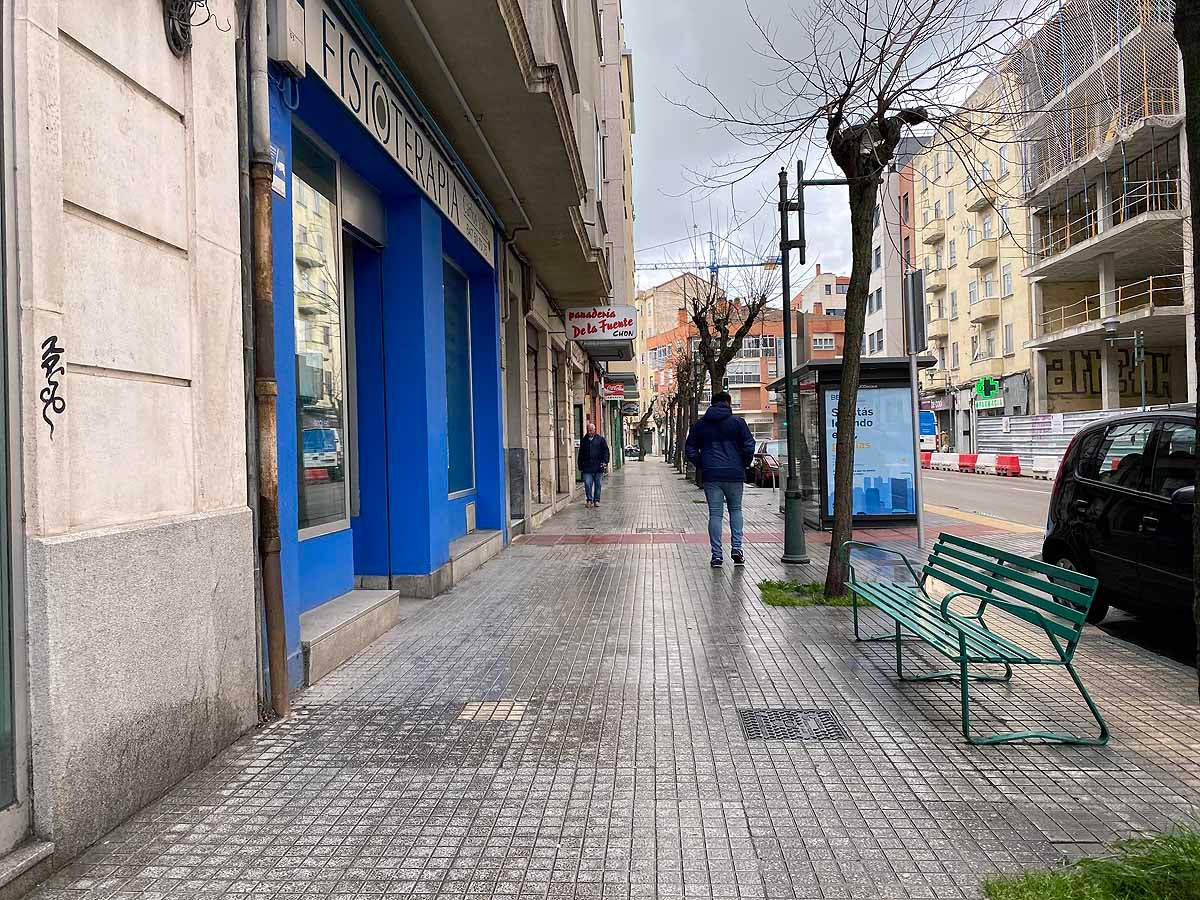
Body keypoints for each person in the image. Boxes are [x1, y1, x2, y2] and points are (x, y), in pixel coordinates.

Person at [685, 391, 755, 567]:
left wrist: (703, 464)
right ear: (728, 403)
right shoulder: (738, 423)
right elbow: (749, 445)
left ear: (712, 404)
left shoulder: (700, 426)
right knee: (736, 510)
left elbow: (690, 449)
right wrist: (743, 463)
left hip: (711, 475)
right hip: (734, 474)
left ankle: (717, 555)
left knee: (715, 514)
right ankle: (737, 548)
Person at [577, 422, 610, 508]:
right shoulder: (584, 440)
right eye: (589, 430)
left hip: (598, 467)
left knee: (598, 484)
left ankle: (596, 500)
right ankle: (589, 500)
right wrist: (580, 464)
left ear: (595, 430)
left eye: (592, 430)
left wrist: (605, 462)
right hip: (587, 467)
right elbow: (580, 453)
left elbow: (606, 451)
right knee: (587, 484)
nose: (590, 432)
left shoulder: (601, 440)